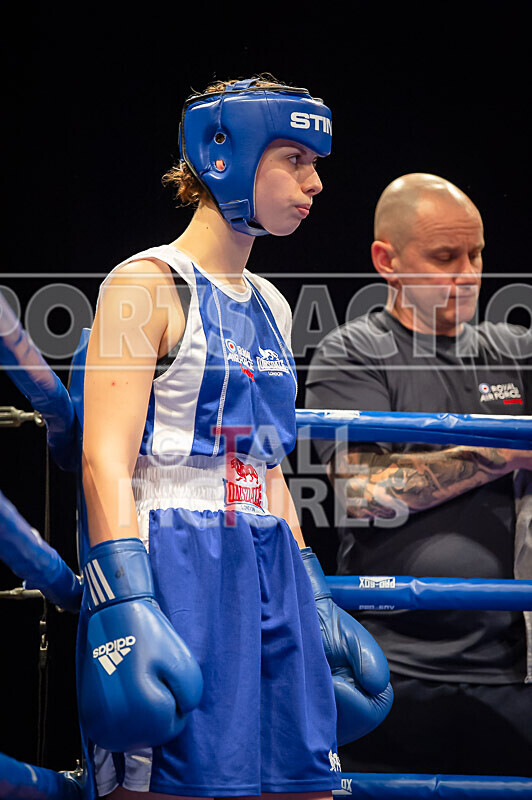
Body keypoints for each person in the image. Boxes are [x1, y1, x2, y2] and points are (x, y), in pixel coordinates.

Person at [75, 76, 392, 800]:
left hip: (269, 553)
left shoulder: (274, 305)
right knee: (179, 782)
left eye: (317, 164)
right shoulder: (146, 285)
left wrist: (310, 589)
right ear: (226, 155)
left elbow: (266, 462)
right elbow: (104, 457)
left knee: (303, 783)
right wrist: (125, 598)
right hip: (175, 553)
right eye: (294, 160)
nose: (314, 184)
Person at [305, 173, 532, 777]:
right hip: (392, 667)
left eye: (477, 253)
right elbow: (364, 493)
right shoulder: (352, 353)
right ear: (387, 259)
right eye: (444, 256)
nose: (467, 271)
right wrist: (507, 450)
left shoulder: (516, 350)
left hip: (513, 669)